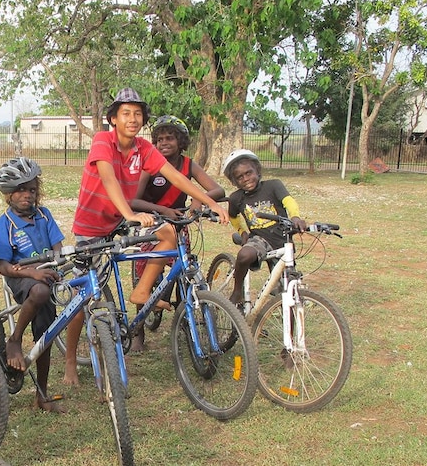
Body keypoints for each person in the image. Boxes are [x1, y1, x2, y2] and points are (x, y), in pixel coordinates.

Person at [64, 88, 229, 383]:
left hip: (123, 220)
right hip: (92, 225)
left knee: (167, 234)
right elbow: (108, 177)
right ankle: (70, 364)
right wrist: (129, 213)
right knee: (82, 297)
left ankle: (142, 291)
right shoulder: (103, 141)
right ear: (113, 119)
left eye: (138, 114)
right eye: (126, 113)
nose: (133, 119)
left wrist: (211, 201)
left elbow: (177, 176)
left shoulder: (143, 148)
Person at [128, 115, 225, 351]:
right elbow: (135, 201)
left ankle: (185, 321)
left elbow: (217, 189)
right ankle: (138, 332)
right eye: (159, 139)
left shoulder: (188, 164)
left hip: (180, 223)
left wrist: (197, 202)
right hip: (153, 223)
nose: (163, 143)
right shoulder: (150, 163)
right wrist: (164, 210)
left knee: (185, 273)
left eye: (169, 138)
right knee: (146, 277)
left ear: (181, 141)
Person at [0, 157, 66, 413]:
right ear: (8, 194)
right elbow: (3, 266)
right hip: (21, 276)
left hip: (45, 275)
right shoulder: (6, 223)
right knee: (40, 290)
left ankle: (41, 395)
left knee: (46, 336)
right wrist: (32, 273)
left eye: (32, 189)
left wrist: (60, 259)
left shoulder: (44, 215)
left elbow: (57, 244)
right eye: (20, 190)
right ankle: (14, 339)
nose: (27, 195)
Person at [222, 149, 306, 306]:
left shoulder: (273, 185)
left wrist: (295, 217)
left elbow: (289, 201)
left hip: (282, 239)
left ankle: (291, 326)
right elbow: (233, 217)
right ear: (234, 182)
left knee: (289, 291)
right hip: (260, 240)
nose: (246, 179)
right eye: (239, 177)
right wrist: (242, 232)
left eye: (249, 173)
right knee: (244, 255)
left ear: (257, 171)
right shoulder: (236, 198)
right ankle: (237, 291)